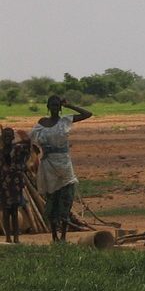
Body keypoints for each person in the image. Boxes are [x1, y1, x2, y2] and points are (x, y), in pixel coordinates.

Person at [30, 95, 92, 243]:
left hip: (64, 164)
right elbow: (30, 140)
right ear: (48, 106)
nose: (55, 107)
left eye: (57, 105)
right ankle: (54, 236)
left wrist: (69, 105)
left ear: (60, 107)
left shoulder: (65, 121)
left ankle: (63, 236)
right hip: (48, 165)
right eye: (52, 105)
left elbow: (87, 114)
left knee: (66, 199)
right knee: (52, 199)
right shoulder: (41, 123)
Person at [0, 127, 31, 243]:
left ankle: (16, 237)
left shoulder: (18, 149)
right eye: (5, 135)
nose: (7, 138)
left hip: (15, 183)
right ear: (2, 137)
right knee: (5, 211)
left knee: (14, 210)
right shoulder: (1, 151)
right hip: (3, 184)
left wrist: (25, 138)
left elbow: (28, 148)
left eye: (9, 135)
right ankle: (8, 236)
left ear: (13, 137)